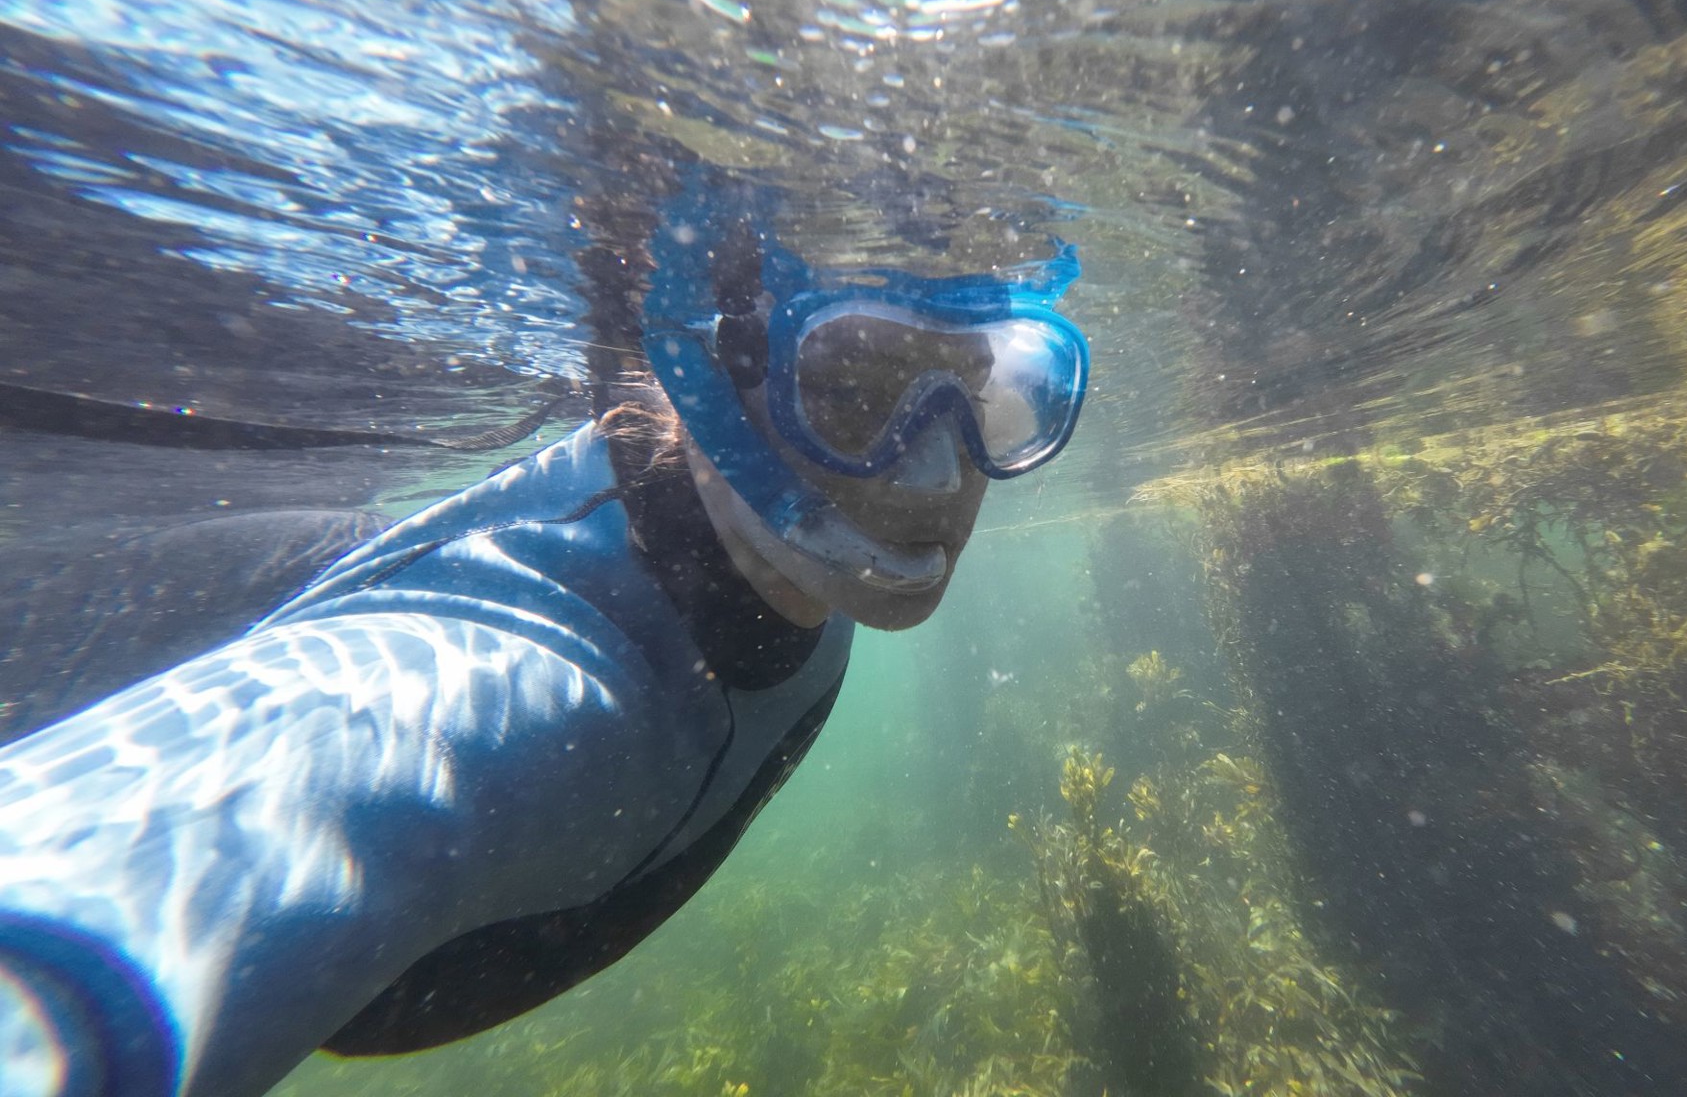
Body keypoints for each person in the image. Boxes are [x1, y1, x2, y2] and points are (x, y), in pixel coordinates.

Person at [0, 180, 1089, 1097]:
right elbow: (204, 834)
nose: (940, 480)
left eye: (994, 397)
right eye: (852, 391)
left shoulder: (798, 555)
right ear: (710, 376)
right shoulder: (515, 677)